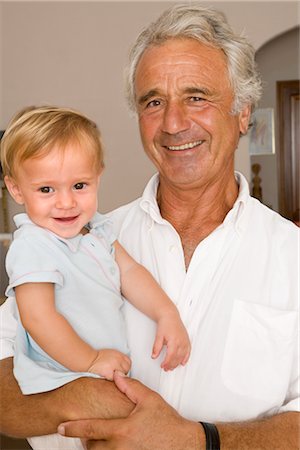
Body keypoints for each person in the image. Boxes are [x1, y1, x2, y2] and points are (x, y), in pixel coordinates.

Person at [0, 3, 299, 450]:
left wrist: (198, 440)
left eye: (197, 97)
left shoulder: (292, 256)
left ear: (242, 113)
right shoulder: (74, 240)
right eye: (153, 102)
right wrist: (78, 397)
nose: (174, 123)